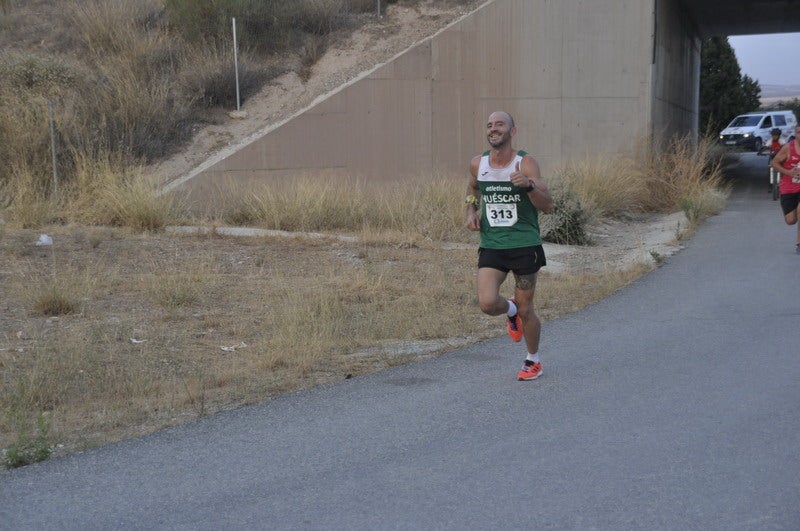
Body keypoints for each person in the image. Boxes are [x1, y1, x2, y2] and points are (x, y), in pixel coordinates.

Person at [465, 111, 554, 380]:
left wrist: (528, 186)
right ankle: (510, 310)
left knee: (529, 309)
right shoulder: (477, 163)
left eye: (500, 124)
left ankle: (533, 360)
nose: (494, 129)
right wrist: (471, 211)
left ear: (512, 131)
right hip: (493, 243)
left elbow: (549, 205)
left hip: (524, 245)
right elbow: (472, 189)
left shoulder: (525, 163)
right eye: (490, 125)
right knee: (488, 303)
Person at [770, 123, 800, 254]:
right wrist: (788, 172)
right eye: (799, 132)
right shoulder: (788, 148)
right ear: (795, 134)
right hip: (788, 188)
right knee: (790, 220)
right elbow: (774, 163)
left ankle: (799, 243)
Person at [759, 128, 784, 194]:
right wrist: (760, 152)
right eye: (773, 135)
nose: (774, 137)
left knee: (783, 171)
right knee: (769, 171)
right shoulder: (770, 141)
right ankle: (770, 186)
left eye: (776, 135)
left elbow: (785, 147)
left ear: (779, 136)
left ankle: (783, 185)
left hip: (780, 158)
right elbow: (766, 147)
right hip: (772, 158)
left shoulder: (782, 141)